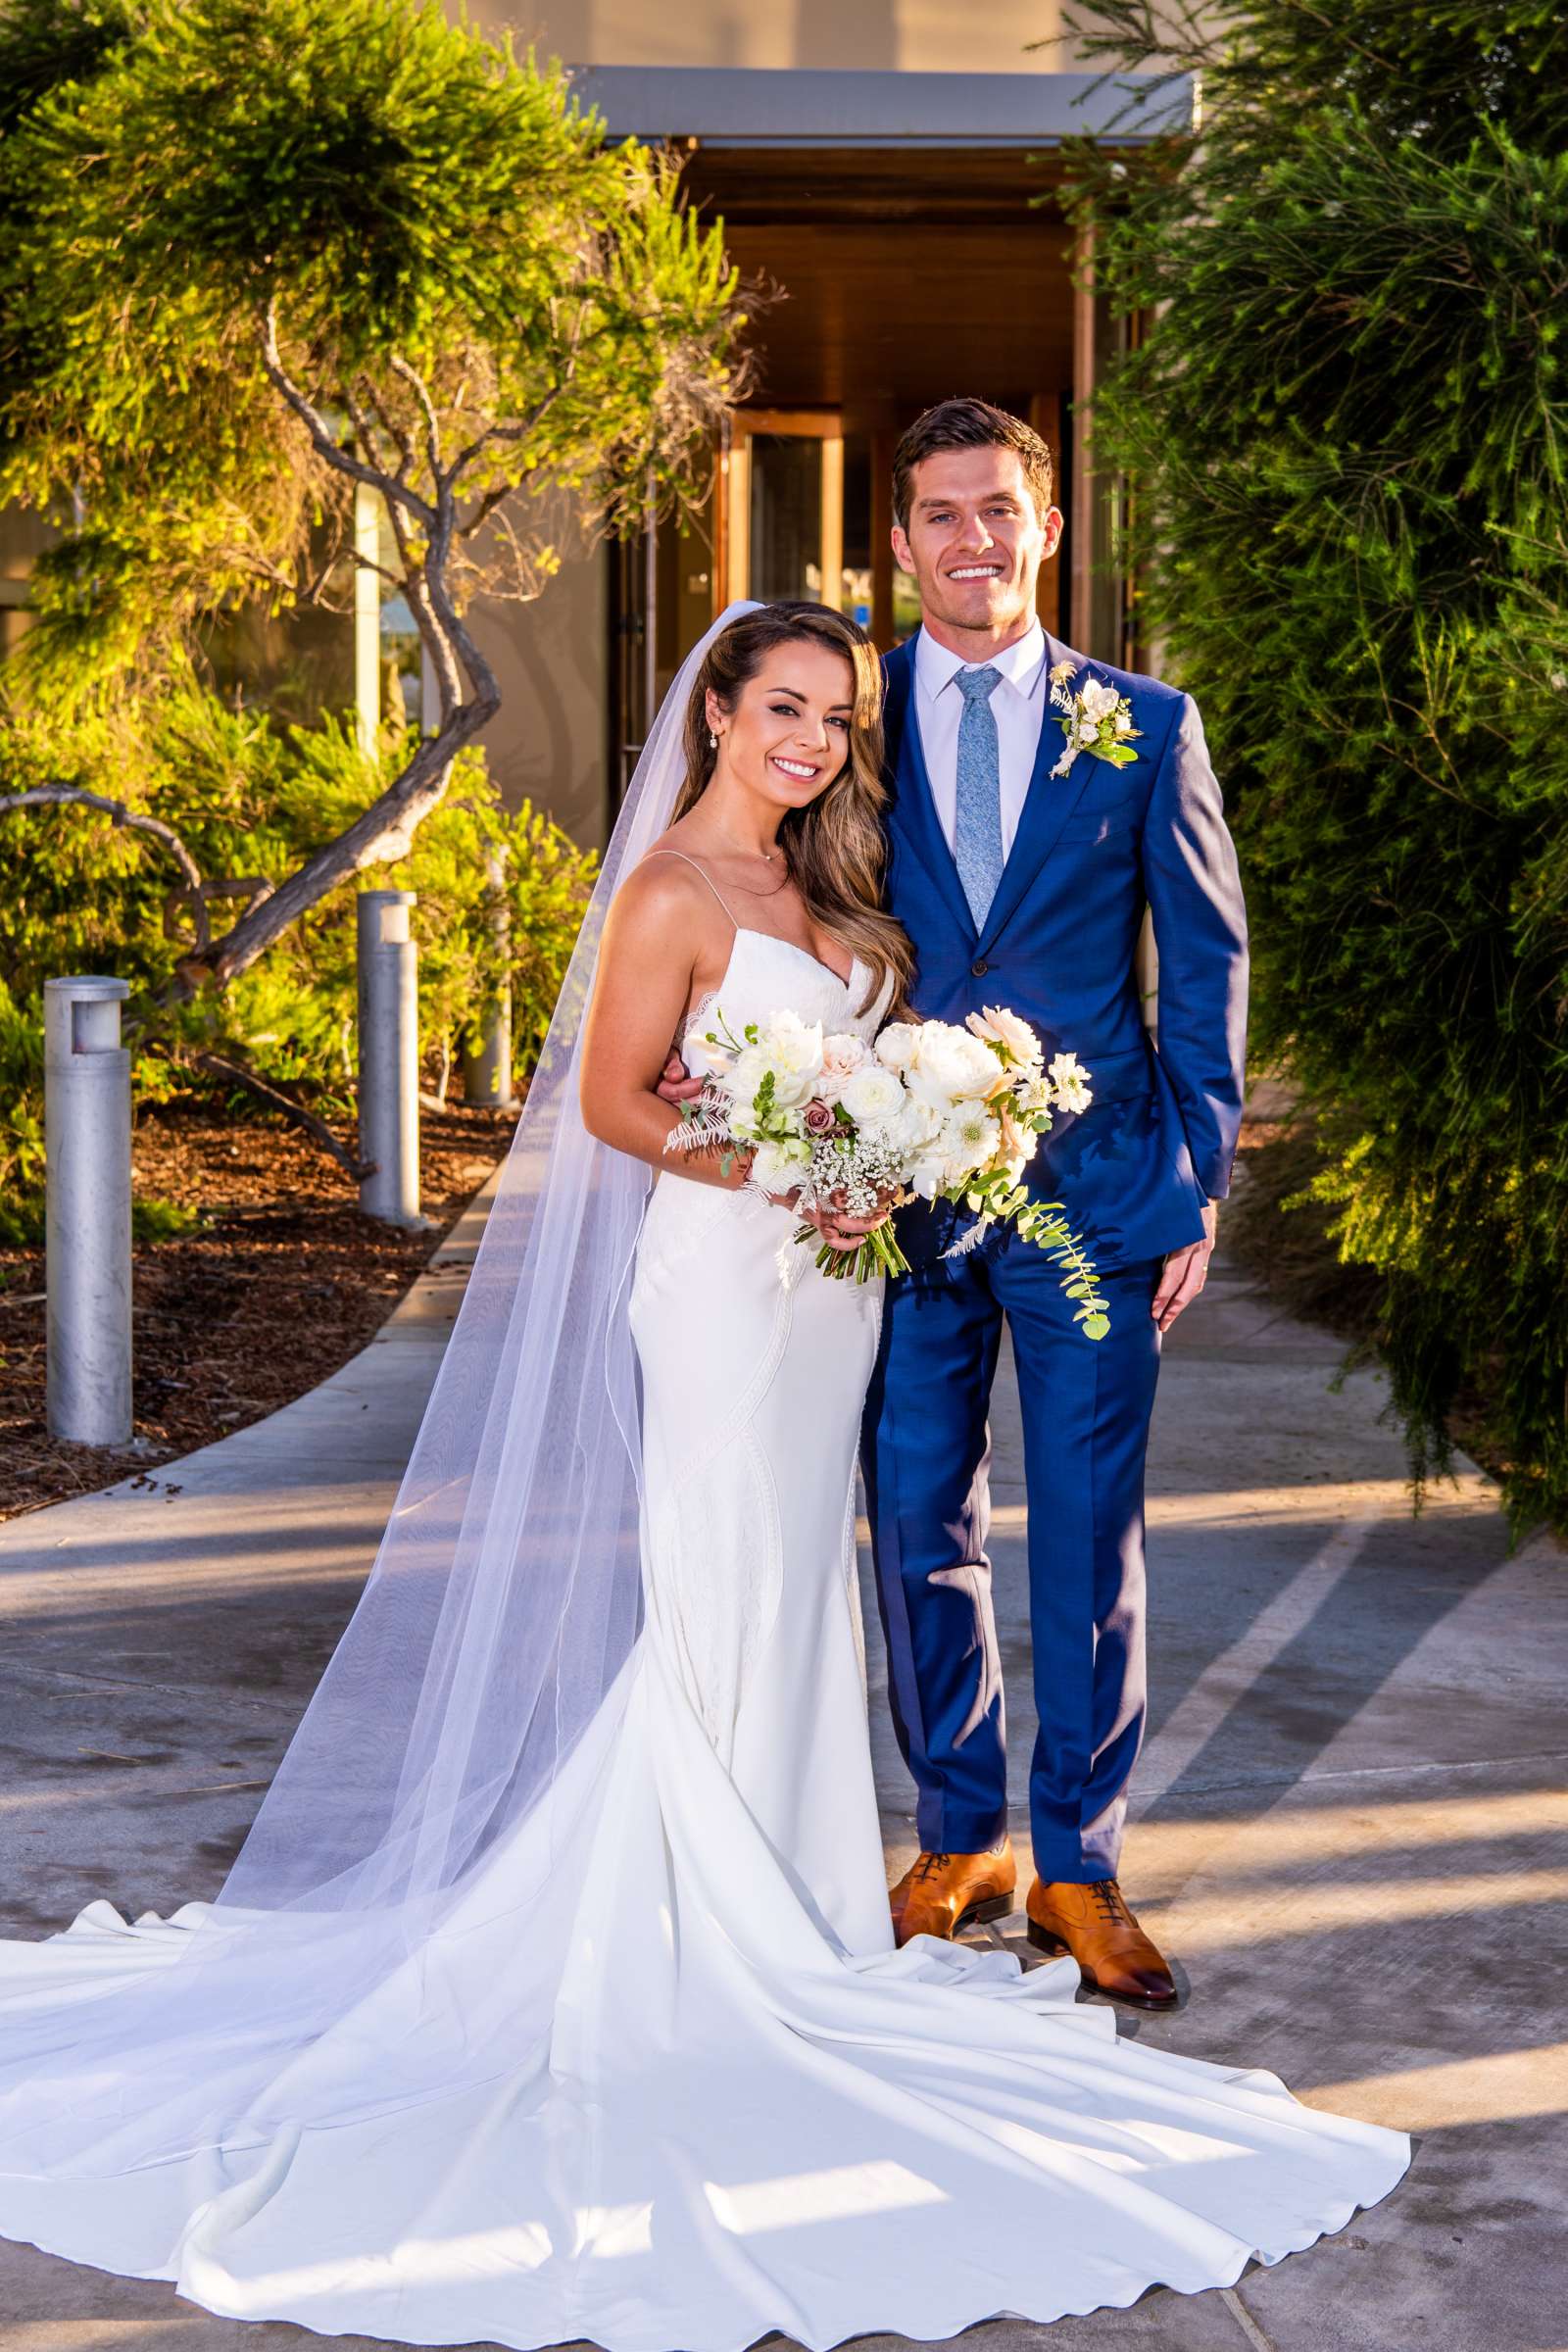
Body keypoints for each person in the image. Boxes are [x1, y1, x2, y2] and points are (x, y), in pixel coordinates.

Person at [0, 601, 1403, 2348]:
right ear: (718, 712)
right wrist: (788, 1162)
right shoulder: (669, 888)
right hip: (737, 1281)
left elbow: (941, 1027)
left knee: (806, 1584)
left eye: (837, 715)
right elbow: (611, 1107)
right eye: (784, 708)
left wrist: (898, 1137)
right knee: (729, 1581)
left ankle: (807, 1909)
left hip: (832, 1286)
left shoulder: (831, 891)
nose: (811, 739)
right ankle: (715, 1935)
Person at [862, 398, 1250, 2005]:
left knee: (1090, 1537)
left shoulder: (1143, 724)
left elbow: (1207, 964)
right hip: (892, 1199)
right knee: (910, 1516)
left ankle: (1079, 1867)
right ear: (899, 542)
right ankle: (963, 1836)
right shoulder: (848, 716)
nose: (974, 542)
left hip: (1093, 1199)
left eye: (1000, 511)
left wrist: (1196, 1182)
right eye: (942, 516)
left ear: (1050, 526)